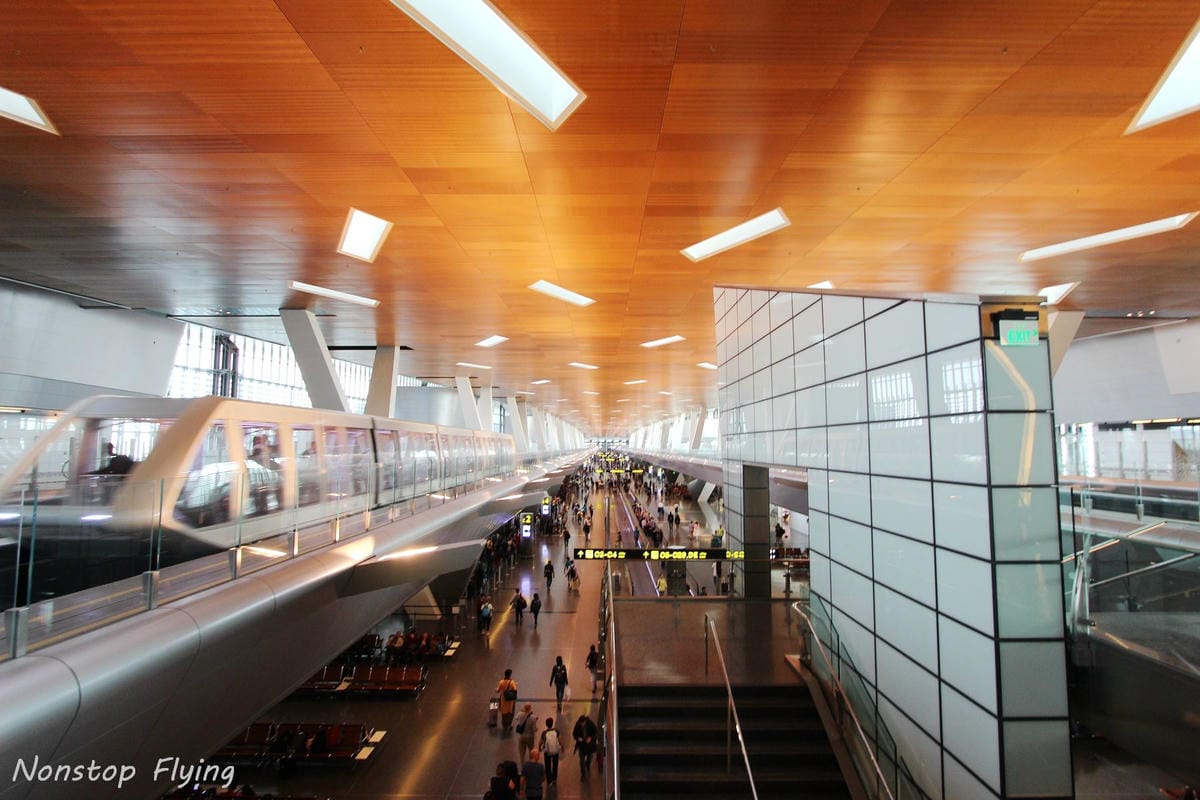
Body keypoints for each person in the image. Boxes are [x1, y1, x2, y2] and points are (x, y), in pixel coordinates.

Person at [572, 713, 598, 777]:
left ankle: (588, 765)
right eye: (580, 724)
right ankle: (583, 774)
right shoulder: (578, 725)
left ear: (585, 722)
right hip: (581, 745)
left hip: (589, 745)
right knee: (581, 761)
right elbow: (574, 734)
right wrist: (578, 738)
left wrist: (590, 738)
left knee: (590, 758)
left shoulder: (590, 724)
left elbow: (595, 732)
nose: (581, 725)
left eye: (582, 724)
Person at [539, 718, 561, 786]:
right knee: (555, 764)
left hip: (547, 751)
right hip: (555, 750)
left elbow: (541, 741)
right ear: (552, 723)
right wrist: (562, 747)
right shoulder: (556, 731)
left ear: (546, 724)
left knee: (548, 765)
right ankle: (554, 779)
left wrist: (539, 747)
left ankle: (549, 781)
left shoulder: (544, 732)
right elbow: (560, 739)